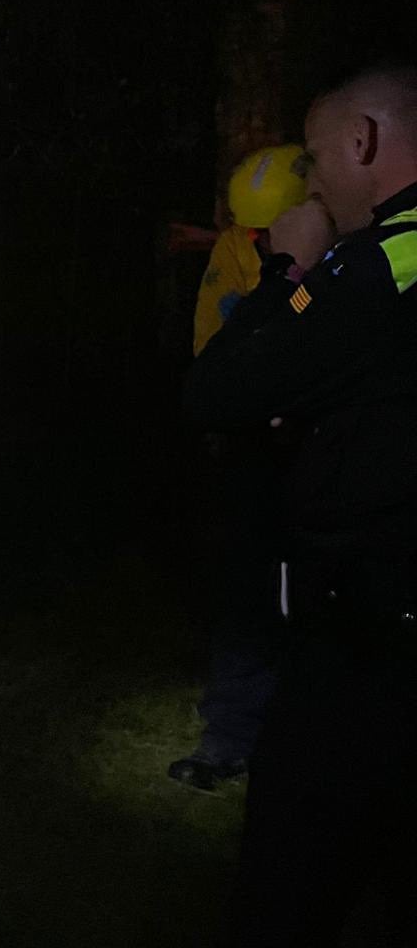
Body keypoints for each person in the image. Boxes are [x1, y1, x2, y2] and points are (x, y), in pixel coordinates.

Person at [185, 63, 417, 945]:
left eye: (317, 158)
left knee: (289, 890)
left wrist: (289, 268)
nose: (311, 180)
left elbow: (220, 388)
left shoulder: (376, 267)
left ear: (363, 141)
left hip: (367, 655)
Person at [169, 144, 305, 791]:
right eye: (246, 227)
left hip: (318, 459)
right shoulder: (240, 253)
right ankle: (230, 734)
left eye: (263, 227)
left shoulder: (347, 265)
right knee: (247, 594)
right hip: (254, 450)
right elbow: (220, 348)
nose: (254, 237)